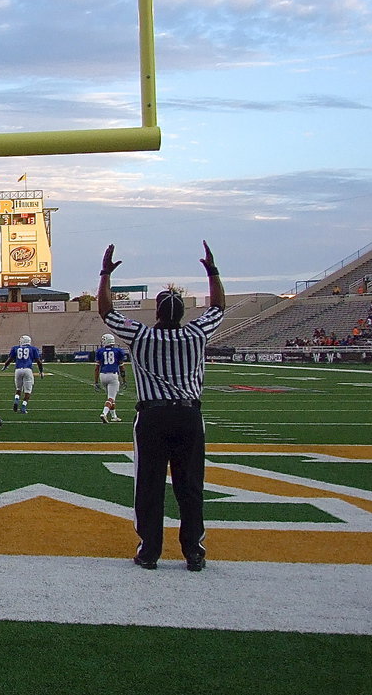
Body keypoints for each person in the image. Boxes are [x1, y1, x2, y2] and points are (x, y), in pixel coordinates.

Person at [98, 241, 225, 573]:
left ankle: (150, 550)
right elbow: (218, 308)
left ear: (157, 312)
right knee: (190, 486)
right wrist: (212, 272)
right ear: (182, 313)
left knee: (149, 485)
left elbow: (106, 312)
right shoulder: (196, 335)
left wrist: (105, 274)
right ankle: (193, 551)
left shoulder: (142, 336)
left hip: (153, 415)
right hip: (188, 414)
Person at [1, 335, 43, 412]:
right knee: (28, 391)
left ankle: (16, 400)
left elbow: (10, 359)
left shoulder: (15, 348)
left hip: (18, 370)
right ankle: (23, 407)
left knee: (18, 389)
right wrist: (41, 371)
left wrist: (5, 366)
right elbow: (38, 361)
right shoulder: (33, 349)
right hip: (28, 370)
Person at [94, 333, 127, 423]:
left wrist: (96, 382)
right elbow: (122, 367)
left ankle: (114, 416)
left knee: (110, 397)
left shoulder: (100, 351)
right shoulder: (118, 351)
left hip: (102, 375)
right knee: (111, 398)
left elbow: (97, 368)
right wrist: (124, 379)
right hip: (113, 375)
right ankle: (104, 413)